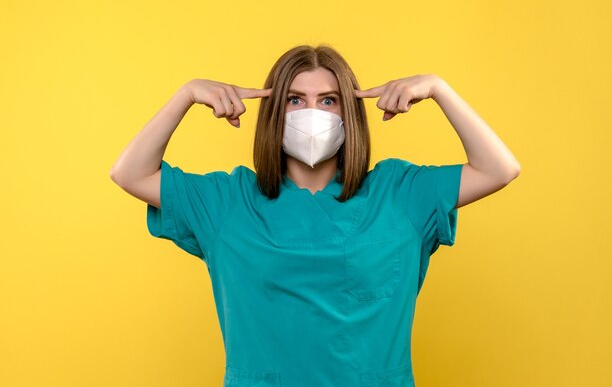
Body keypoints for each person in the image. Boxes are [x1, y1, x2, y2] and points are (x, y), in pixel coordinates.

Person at [110, 44, 521, 386]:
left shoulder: (399, 193)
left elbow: (498, 169)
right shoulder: (228, 202)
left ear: (349, 113)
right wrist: (185, 95)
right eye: (295, 100)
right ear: (273, 112)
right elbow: (130, 173)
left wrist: (439, 89)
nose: (312, 113)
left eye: (328, 100)